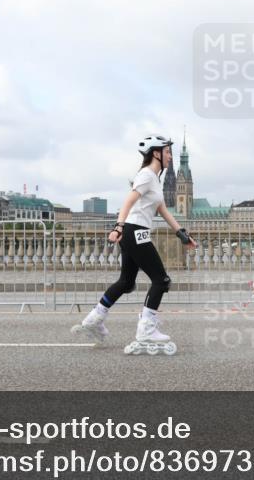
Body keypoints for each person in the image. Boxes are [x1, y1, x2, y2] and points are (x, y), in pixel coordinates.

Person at [72, 135, 197, 355]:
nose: (170, 156)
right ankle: (146, 328)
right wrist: (118, 227)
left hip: (134, 231)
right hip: (135, 231)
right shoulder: (147, 175)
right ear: (156, 153)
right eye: (167, 151)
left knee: (126, 282)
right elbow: (128, 201)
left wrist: (181, 233)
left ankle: (95, 318)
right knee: (161, 280)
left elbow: (162, 210)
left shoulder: (154, 180)